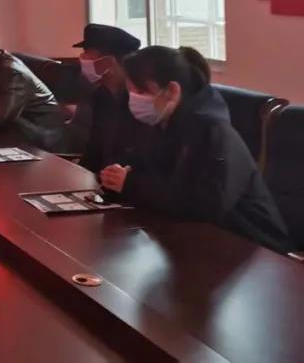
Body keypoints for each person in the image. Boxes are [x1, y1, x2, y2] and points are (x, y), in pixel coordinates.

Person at [99, 46, 293, 254]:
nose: (134, 99)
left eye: (141, 92)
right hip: (192, 238)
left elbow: (205, 205)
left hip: (250, 245)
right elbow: (139, 162)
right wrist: (115, 175)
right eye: (131, 92)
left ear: (172, 90)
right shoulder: (162, 121)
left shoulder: (212, 131)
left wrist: (131, 184)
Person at [71, 24, 149, 173]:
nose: (83, 60)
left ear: (109, 62)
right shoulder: (100, 96)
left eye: (88, 56)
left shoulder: (141, 101)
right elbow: (94, 151)